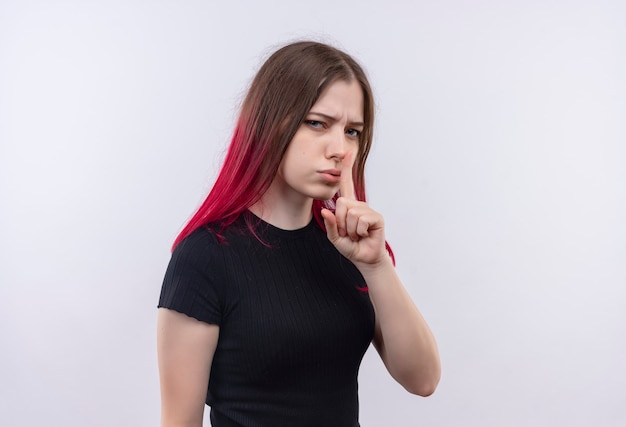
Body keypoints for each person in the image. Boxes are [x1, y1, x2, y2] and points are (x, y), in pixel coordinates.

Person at [157, 40, 441, 427]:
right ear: (270, 124)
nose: (340, 149)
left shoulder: (349, 247)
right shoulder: (205, 256)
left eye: (353, 132)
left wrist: (376, 266)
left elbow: (423, 380)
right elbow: (179, 422)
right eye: (317, 123)